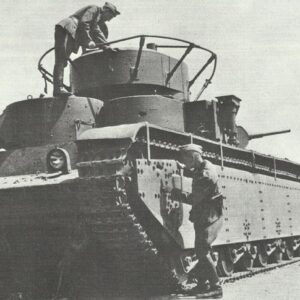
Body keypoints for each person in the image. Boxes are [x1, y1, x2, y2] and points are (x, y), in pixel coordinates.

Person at [178, 144, 223, 299]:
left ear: (193, 157)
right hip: (203, 216)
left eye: (185, 160)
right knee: (200, 250)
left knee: (203, 250)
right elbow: (192, 172)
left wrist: (176, 194)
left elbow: (196, 197)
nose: (185, 164)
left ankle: (216, 287)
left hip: (210, 216)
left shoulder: (206, 174)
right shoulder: (200, 168)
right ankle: (203, 285)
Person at [53, 2, 120, 96]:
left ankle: (58, 89)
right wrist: (88, 41)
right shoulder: (95, 9)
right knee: (61, 59)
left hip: (71, 31)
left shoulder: (96, 20)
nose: (108, 20)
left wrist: (107, 47)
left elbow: (97, 32)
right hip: (68, 28)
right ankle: (58, 89)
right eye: (110, 16)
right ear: (106, 11)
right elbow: (84, 22)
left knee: (62, 60)